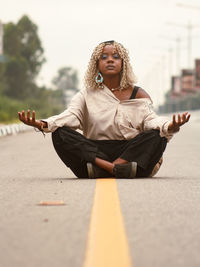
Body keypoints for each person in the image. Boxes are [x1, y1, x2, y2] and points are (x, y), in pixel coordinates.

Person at [18, 40, 190, 179]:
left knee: (156, 134)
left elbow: (151, 120)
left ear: (123, 64)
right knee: (60, 133)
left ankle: (112, 167)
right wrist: (42, 123)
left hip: (129, 152)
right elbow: (70, 116)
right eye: (104, 57)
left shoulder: (138, 93)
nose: (110, 60)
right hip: (95, 153)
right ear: (97, 65)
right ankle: (113, 168)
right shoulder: (87, 94)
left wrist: (170, 126)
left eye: (115, 56)